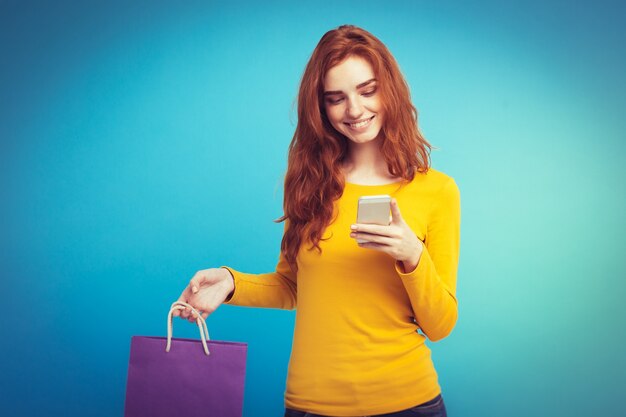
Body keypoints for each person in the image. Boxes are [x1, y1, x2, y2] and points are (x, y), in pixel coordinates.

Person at [174, 25, 460, 417]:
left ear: (389, 89)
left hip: (408, 404)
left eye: (367, 90)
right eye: (336, 98)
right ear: (321, 108)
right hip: (311, 406)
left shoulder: (437, 191)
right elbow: (293, 287)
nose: (355, 110)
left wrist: (412, 256)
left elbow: (441, 325)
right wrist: (230, 283)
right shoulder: (311, 186)